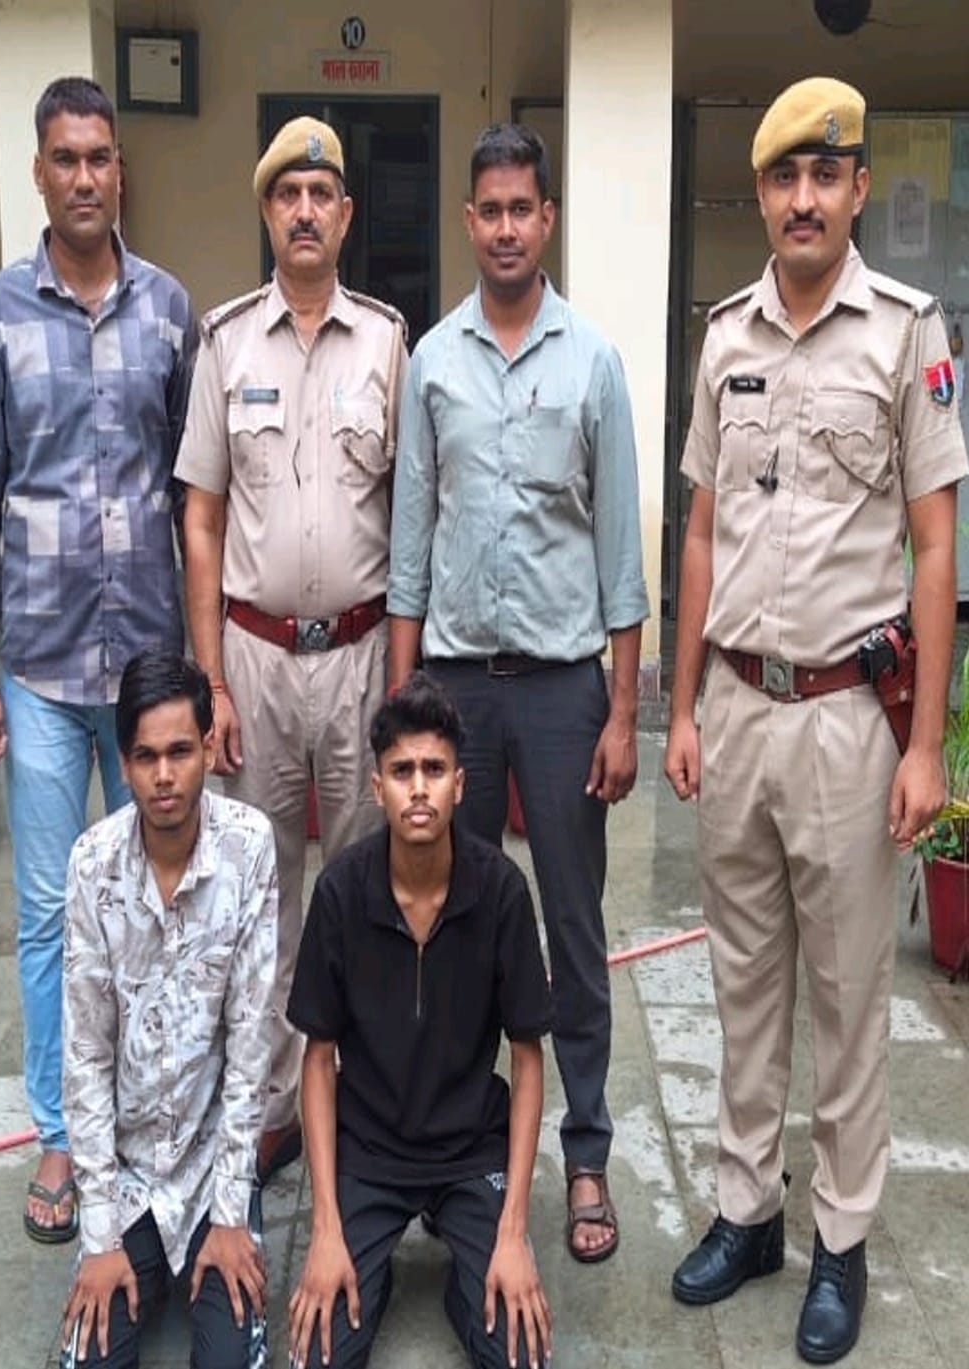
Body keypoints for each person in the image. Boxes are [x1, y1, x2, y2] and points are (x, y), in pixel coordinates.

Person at [663, 77, 968, 1364]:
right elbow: (699, 529)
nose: (803, 198)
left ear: (855, 191)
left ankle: (841, 1238)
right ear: (762, 193)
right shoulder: (723, 337)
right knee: (744, 985)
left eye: (824, 176)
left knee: (846, 998)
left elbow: (936, 544)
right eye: (784, 177)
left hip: (849, 719)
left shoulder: (905, 333)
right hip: (737, 708)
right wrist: (680, 704)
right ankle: (748, 1211)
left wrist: (924, 744)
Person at [387, 123, 649, 1263]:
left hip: (559, 695)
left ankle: (585, 1153)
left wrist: (624, 711)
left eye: (521, 210)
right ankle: (454, 1143)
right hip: (453, 692)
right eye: (487, 210)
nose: (504, 229)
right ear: (469, 220)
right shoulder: (432, 362)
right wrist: (403, 710)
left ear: (548, 219)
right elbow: (408, 548)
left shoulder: (593, 362)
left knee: (573, 925)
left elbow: (622, 560)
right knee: (447, 920)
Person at [0, 76, 197, 1243]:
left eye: (101, 156)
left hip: (149, 674)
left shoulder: (169, 311)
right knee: (52, 913)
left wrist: (203, 663)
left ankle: (149, 1113)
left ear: (119, 171)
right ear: (39, 172)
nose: (86, 176)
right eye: (67, 158)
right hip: (42, 670)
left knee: (158, 904)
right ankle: (59, 1131)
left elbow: (196, 496)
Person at [175, 115, 407, 1186]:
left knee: (364, 882)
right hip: (256, 660)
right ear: (267, 213)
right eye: (287, 195)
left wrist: (401, 678)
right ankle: (274, 1106)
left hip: (359, 655)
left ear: (346, 215)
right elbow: (202, 518)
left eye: (322, 195)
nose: (305, 211)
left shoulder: (387, 342)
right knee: (262, 891)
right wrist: (211, 680)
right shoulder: (226, 342)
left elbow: (410, 514)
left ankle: (360, 1094)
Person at [286, 673, 552, 1369]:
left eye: (434, 769)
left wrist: (513, 1233)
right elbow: (317, 1058)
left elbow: (528, 1056)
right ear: (377, 787)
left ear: (460, 785)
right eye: (402, 771)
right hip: (369, 1147)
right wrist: (324, 1228)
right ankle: (373, 1267)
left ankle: (465, 1280)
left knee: (519, 1352)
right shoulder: (341, 892)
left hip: (471, 1147)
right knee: (320, 1352)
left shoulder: (501, 891)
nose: (419, 788)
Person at [59, 650, 276, 1369]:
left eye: (180, 751)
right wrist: (99, 1237)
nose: (163, 776)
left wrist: (231, 1213)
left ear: (209, 749)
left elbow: (252, 1041)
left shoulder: (249, 847)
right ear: (121, 763)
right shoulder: (92, 862)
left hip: (215, 1168)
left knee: (228, 1359)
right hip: (126, 1176)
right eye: (146, 756)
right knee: (90, 1358)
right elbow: (86, 1057)